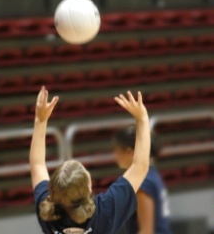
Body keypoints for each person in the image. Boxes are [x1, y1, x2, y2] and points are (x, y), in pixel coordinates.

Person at [30, 86, 151, 234]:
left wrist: (40, 120)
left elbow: (37, 165)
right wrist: (142, 118)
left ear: (52, 192)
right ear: (89, 188)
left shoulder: (47, 213)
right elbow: (141, 165)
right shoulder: (104, 211)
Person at [114, 127, 172, 234]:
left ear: (130, 152)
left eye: (117, 150)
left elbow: (146, 231)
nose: (115, 155)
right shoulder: (150, 174)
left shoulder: (143, 182)